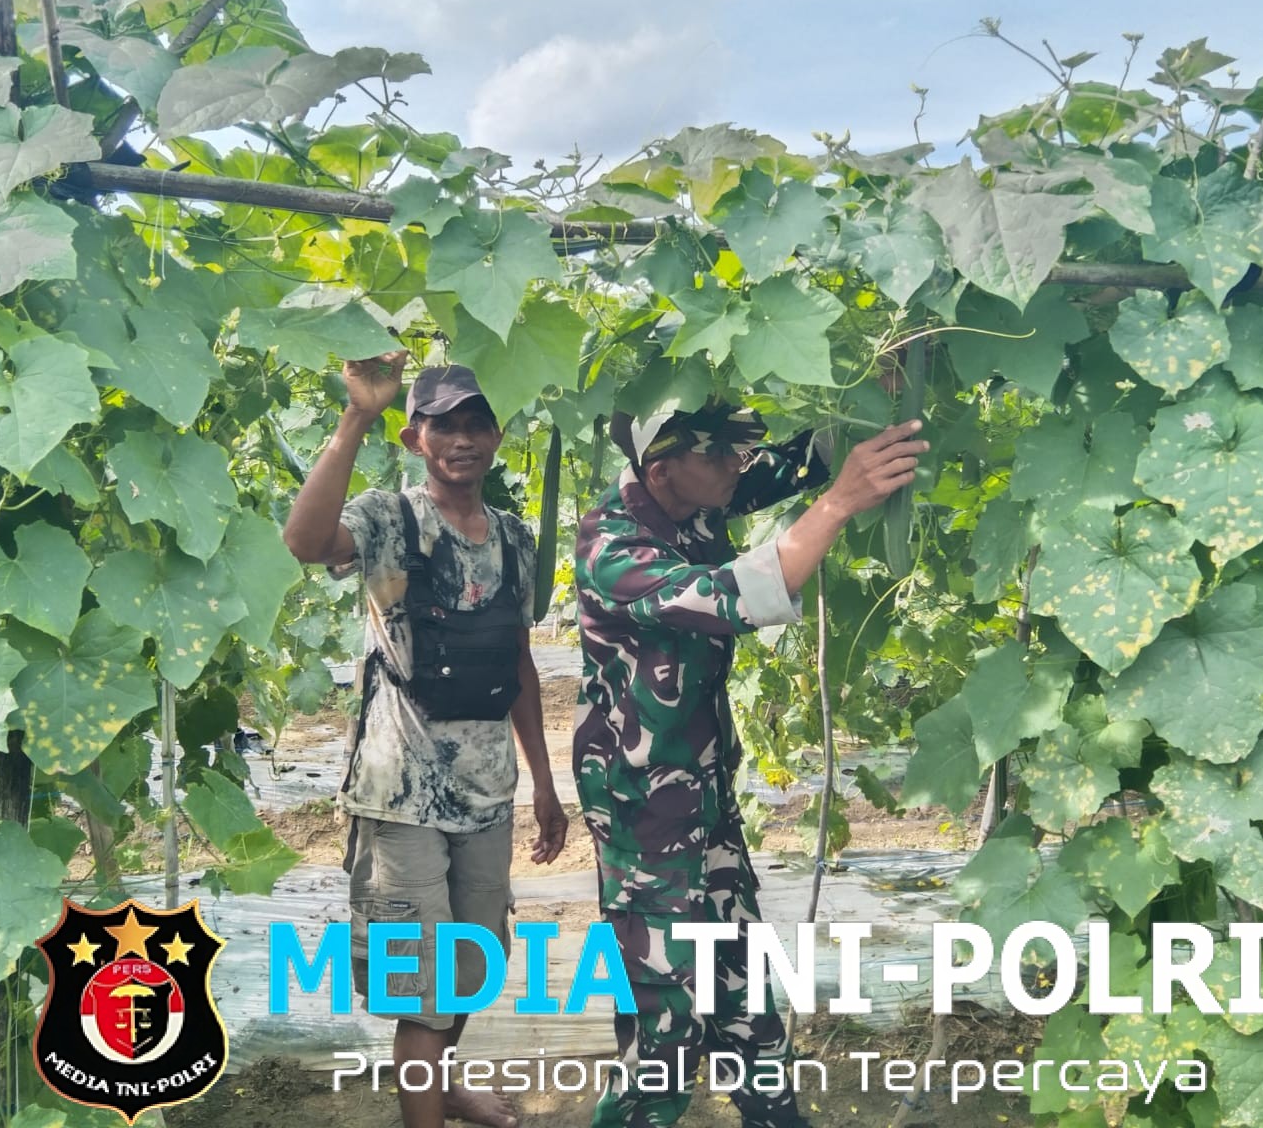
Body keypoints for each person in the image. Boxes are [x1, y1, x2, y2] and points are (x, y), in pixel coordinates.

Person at [573, 403, 928, 1128]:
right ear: (661, 468)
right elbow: (742, 594)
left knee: (740, 981)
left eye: (737, 454)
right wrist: (839, 504)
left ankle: (775, 1117)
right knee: (665, 1017)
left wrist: (883, 387)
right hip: (641, 808)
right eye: (721, 456)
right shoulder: (613, 546)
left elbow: (802, 460)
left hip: (702, 793)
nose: (738, 466)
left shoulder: (697, 488)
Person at [284, 354, 568, 1128]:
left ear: (496, 436)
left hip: (487, 792)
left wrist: (544, 782)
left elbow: (518, 662)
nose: (464, 439)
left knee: (472, 970)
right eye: (446, 425)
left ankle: (444, 1088)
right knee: (422, 986)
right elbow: (306, 541)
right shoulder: (388, 519)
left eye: (477, 423)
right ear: (417, 439)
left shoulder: (512, 537)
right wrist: (356, 416)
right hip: (400, 796)